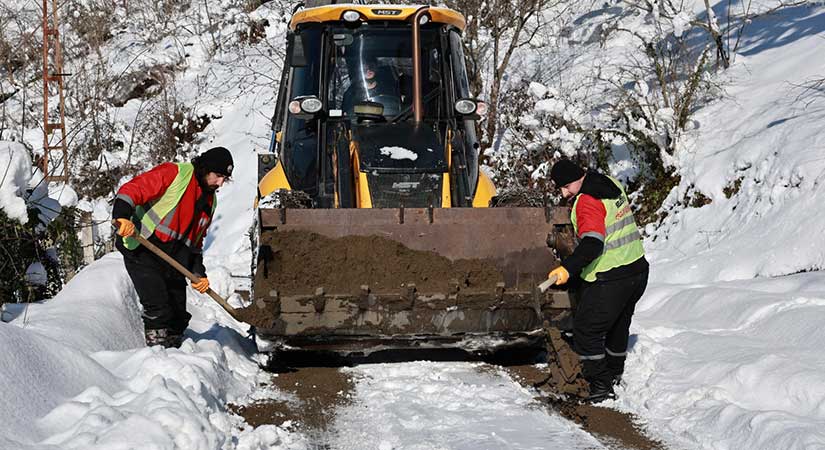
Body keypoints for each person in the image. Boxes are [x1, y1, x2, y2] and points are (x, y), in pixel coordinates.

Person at [547, 159, 649, 403]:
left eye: (566, 186)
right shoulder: (609, 183)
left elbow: (593, 244)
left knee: (586, 330)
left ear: (578, 178)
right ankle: (614, 372)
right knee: (618, 325)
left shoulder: (586, 202)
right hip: (637, 269)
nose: (564, 193)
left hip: (611, 276)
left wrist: (567, 269)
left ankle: (600, 385)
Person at [112, 147, 233, 348]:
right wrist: (122, 216)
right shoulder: (175, 173)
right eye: (218, 176)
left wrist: (198, 272)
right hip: (143, 247)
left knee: (178, 315)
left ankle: (175, 352)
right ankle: (158, 353)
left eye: (225, 179)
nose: (220, 183)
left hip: (173, 258)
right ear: (205, 169)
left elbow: (196, 242)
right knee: (158, 307)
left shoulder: (210, 201)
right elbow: (132, 189)